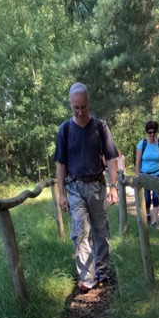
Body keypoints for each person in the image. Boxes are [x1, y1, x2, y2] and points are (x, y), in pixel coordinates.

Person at [55, 83, 118, 293]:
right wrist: (61, 194)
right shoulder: (64, 130)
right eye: (76, 108)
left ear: (89, 104)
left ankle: (102, 270)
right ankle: (87, 277)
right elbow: (60, 164)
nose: (80, 112)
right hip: (74, 187)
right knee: (80, 232)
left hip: (97, 186)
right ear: (70, 105)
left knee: (100, 231)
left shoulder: (101, 127)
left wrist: (114, 187)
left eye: (83, 107)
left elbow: (111, 158)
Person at [135, 120, 159, 229]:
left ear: (157, 132)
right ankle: (148, 214)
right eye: (150, 132)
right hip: (145, 176)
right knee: (147, 200)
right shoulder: (142, 144)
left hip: (157, 174)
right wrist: (137, 176)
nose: (152, 134)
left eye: (154, 132)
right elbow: (138, 162)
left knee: (156, 197)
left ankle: (154, 222)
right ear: (147, 132)